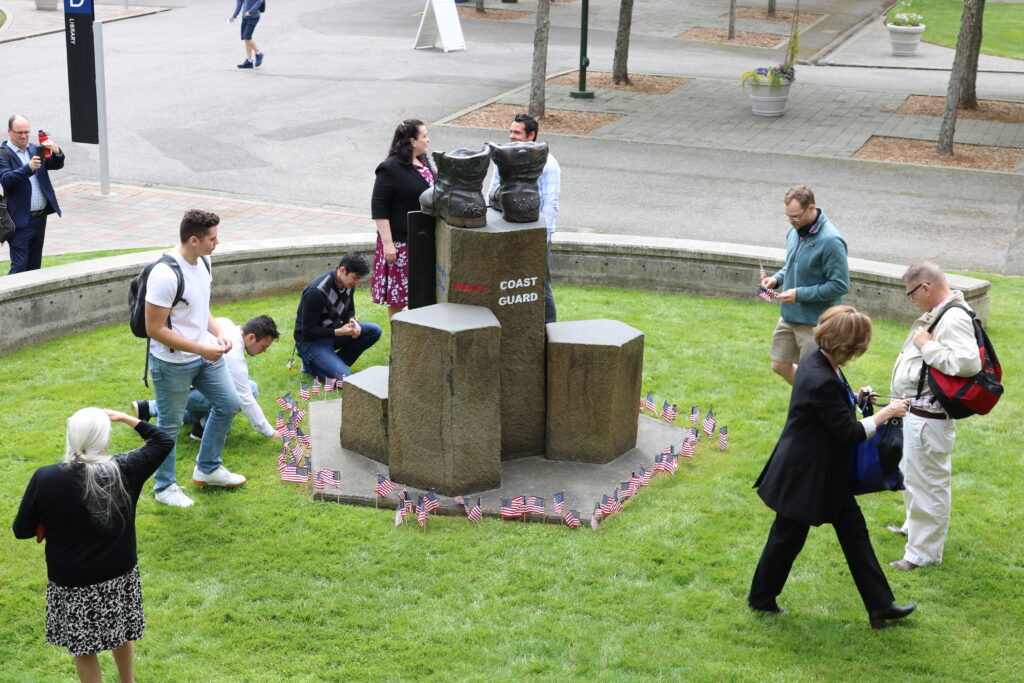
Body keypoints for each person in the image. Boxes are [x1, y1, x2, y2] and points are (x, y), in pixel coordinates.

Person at [749, 305, 916, 629]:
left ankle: (881, 607)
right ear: (848, 345)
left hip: (824, 473)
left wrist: (856, 397)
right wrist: (886, 413)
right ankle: (761, 599)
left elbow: (831, 405)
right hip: (806, 475)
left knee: (853, 534)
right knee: (787, 537)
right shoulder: (821, 374)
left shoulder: (820, 358)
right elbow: (849, 432)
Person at [13, 407, 174, 683]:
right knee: (121, 632)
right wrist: (126, 417)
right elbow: (163, 441)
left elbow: (22, 530)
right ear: (104, 440)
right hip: (119, 573)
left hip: (72, 580)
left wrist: (44, 522)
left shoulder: (46, 477)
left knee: (85, 649)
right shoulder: (125, 469)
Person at [145, 209, 244, 508]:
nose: (217, 243)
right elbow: (155, 329)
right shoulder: (164, 275)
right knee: (169, 425)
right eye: (212, 239)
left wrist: (216, 333)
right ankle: (164, 487)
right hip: (171, 363)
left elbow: (200, 307)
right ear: (193, 240)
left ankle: (208, 469)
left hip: (204, 354)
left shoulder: (204, 261)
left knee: (229, 403)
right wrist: (202, 349)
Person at [887, 261, 981, 570]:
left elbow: (968, 364)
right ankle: (914, 528)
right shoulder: (942, 312)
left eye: (911, 294)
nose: (911, 300)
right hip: (917, 413)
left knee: (929, 484)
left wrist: (927, 347)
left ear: (925, 288)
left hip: (930, 419)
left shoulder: (953, 317)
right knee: (913, 477)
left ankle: (923, 555)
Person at [131, 315, 282, 442]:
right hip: (183, 386)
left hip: (185, 383)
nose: (264, 351)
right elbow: (245, 398)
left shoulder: (225, 323)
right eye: (264, 346)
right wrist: (270, 432)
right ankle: (202, 428)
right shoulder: (233, 353)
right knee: (234, 399)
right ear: (251, 337)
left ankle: (148, 408)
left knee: (250, 387)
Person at [761, 185, 849, 385]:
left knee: (820, 375)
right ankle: (812, 398)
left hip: (816, 323)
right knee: (779, 364)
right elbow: (792, 266)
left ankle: (833, 406)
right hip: (789, 315)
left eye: (795, 217)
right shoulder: (794, 232)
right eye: (788, 217)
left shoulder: (831, 241)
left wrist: (799, 294)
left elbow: (840, 285)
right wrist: (776, 279)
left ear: (811, 208)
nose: (791, 222)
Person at [488, 113, 561, 323]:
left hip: (535, 234)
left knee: (540, 283)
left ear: (531, 136)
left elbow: (550, 203)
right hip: (506, 229)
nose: (511, 136)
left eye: (517, 133)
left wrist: (542, 238)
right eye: (510, 131)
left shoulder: (548, 164)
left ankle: (549, 327)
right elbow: (492, 191)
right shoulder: (503, 158)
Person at [371, 119, 434, 319]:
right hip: (400, 244)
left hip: (422, 240)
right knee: (398, 298)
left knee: (423, 291)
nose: (428, 140)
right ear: (412, 141)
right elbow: (379, 207)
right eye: (424, 136)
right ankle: (399, 342)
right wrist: (388, 244)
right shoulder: (389, 168)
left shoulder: (424, 161)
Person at [294, 251, 382, 380]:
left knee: (374, 331)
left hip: (332, 334)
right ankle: (311, 364)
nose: (357, 282)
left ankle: (332, 363)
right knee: (345, 379)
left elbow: (349, 309)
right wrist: (338, 332)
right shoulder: (316, 292)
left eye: (360, 278)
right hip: (310, 342)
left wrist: (353, 321)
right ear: (342, 270)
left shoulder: (348, 284)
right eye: (356, 277)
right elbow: (306, 332)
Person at [0, 114, 64, 274]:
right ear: (9, 131)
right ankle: (7, 298)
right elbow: (6, 179)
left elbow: (55, 164)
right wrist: (27, 168)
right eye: (19, 132)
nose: (24, 136)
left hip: (39, 218)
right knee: (19, 267)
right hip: (19, 220)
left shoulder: (35, 149)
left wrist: (57, 152)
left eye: (27, 132)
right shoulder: (3, 154)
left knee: (35, 266)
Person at [229, 0, 264, 69]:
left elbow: (260, 1)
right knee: (246, 38)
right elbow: (239, 5)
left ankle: (259, 53)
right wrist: (234, 16)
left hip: (254, 17)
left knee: (247, 37)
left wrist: (250, 11)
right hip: (245, 17)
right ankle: (249, 61)